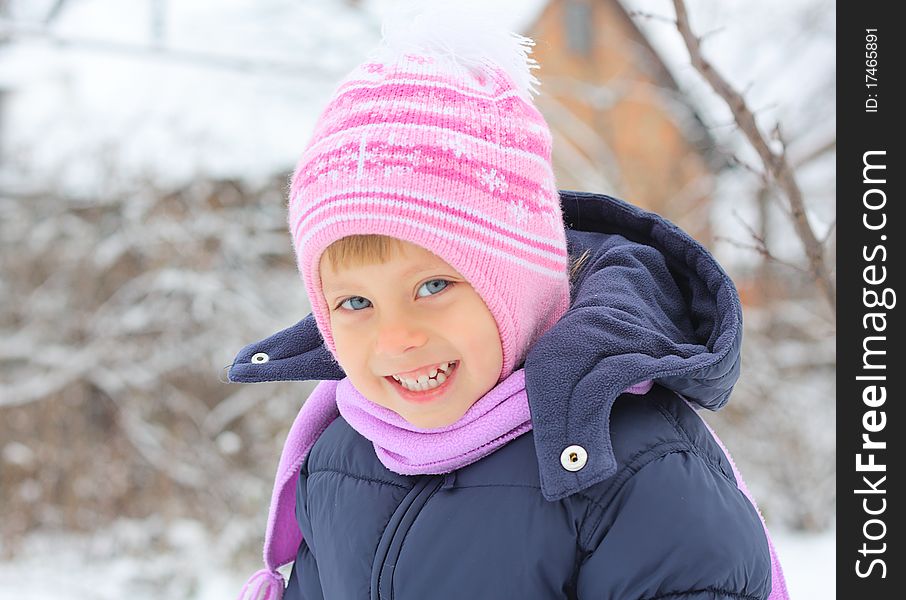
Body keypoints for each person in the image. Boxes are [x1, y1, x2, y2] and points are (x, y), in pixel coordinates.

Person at [228, 4, 789, 599]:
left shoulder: (626, 465)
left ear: (517, 286)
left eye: (433, 287)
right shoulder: (340, 452)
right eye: (356, 303)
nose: (396, 338)